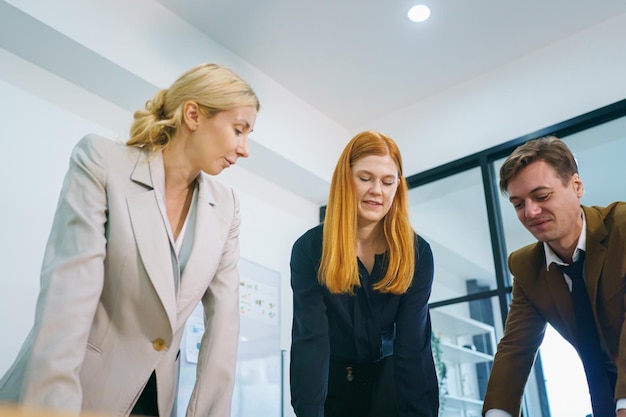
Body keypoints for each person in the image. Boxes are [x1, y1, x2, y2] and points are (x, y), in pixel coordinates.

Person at [0, 63, 260, 417]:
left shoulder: (226, 206)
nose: (244, 149)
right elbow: (69, 292)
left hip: (152, 401)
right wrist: (51, 409)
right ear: (194, 115)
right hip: (71, 388)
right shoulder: (103, 162)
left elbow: (225, 323)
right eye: (239, 130)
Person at [289, 130, 439, 417]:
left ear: (398, 186)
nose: (377, 191)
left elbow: (413, 347)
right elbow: (311, 341)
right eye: (365, 178)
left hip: (392, 388)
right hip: (332, 390)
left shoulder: (417, 253)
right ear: (346, 180)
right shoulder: (310, 249)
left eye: (387, 181)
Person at [482, 136, 626, 417]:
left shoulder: (622, 226)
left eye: (541, 196)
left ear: (577, 186)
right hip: (606, 392)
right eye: (518, 204)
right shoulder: (526, 265)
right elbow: (515, 348)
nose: (530, 212)